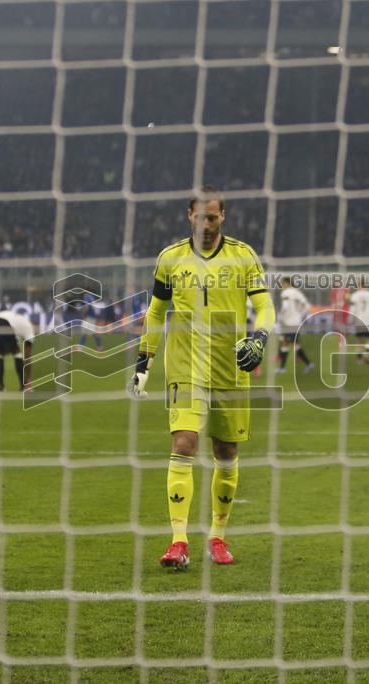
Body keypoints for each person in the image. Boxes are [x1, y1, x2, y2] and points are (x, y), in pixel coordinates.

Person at [130, 186, 276, 570]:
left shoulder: (243, 256)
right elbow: (156, 312)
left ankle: (217, 536)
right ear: (188, 216)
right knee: (184, 442)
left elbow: (265, 306)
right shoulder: (170, 258)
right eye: (200, 217)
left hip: (231, 368)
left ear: (222, 217)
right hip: (185, 367)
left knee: (226, 452)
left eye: (213, 217)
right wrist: (144, 360)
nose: (206, 224)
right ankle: (178, 541)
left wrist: (259, 338)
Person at [0, 309, 34, 392]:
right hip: (5, 323)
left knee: (0, 353)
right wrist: (28, 378)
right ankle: (24, 386)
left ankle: (1, 386)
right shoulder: (28, 331)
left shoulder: (22, 322)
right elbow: (28, 356)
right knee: (17, 352)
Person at [277, 277, 314, 373]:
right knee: (289, 343)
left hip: (289, 322)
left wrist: (280, 317)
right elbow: (307, 306)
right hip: (296, 321)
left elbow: (285, 307)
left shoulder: (286, 293)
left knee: (290, 343)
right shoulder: (297, 293)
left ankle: (308, 364)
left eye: (282, 284)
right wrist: (300, 314)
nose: (281, 286)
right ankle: (283, 368)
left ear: (286, 284)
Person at [347, 285, 369, 364]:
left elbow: (352, 309)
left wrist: (350, 320)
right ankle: (367, 354)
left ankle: (359, 359)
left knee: (359, 340)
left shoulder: (354, 296)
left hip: (359, 321)